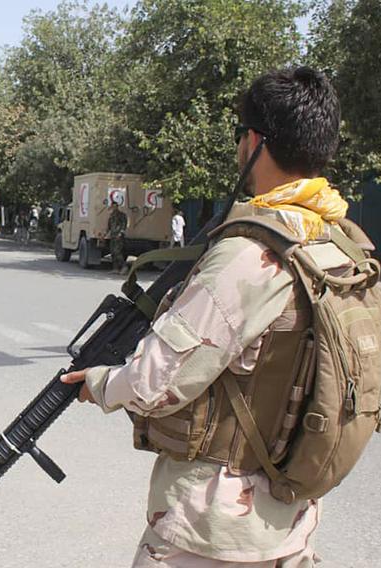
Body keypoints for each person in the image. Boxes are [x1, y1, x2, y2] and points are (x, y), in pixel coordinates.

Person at [61, 67, 359, 566]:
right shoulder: (336, 239)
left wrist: (98, 382)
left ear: (256, 143)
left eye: (241, 135)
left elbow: (157, 382)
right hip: (291, 513)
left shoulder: (251, 253)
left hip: (213, 527)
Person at [108, 202, 128, 272]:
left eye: (115, 206)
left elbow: (124, 225)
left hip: (119, 236)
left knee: (117, 252)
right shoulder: (111, 215)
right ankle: (115, 268)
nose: (114, 208)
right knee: (112, 252)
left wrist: (120, 233)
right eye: (112, 206)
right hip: (113, 236)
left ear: (117, 207)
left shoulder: (121, 215)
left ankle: (124, 266)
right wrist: (105, 234)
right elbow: (109, 226)